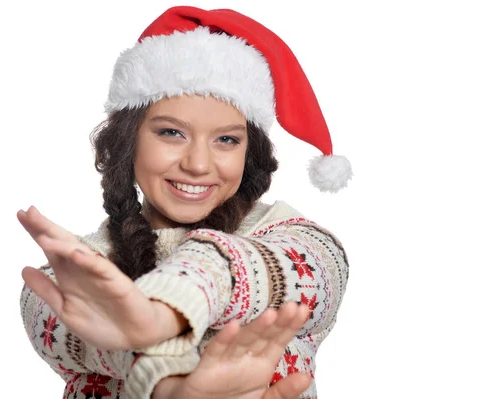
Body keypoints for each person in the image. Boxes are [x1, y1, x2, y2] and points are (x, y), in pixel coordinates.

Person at [19, 5, 351, 399]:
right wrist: (170, 387)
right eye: (172, 132)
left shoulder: (301, 243)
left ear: (251, 151)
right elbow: (81, 335)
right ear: (128, 141)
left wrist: (162, 314)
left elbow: (239, 269)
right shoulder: (73, 272)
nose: (197, 164)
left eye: (226, 139)